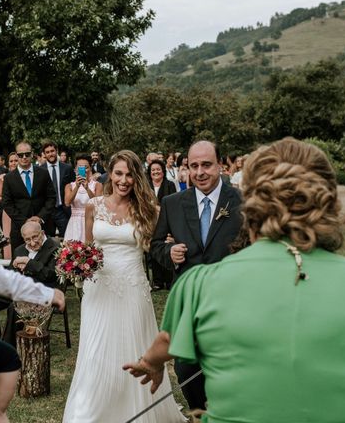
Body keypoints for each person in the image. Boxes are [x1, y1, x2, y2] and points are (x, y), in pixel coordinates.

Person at [126, 138, 345, 423]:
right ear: (327, 197)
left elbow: (168, 341)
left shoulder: (198, 284)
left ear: (252, 201)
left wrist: (151, 362)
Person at [63, 150, 184, 423]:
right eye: (119, 173)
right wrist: (76, 261)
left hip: (132, 287)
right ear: (110, 174)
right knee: (96, 350)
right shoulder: (94, 205)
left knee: (134, 344)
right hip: (99, 288)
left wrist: (174, 249)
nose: (124, 180)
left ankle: (137, 409)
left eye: (130, 174)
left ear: (136, 177)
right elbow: (87, 247)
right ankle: (92, 411)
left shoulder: (149, 210)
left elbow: (160, 246)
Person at [149, 140, 242, 412]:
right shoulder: (173, 203)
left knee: (227, 364)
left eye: (207, 165)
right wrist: (169, 251)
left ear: (221, 166)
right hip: (188, 302)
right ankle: (199, 414)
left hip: (231, 299)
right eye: (193, 166)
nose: (200, 172)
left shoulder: (241, 201)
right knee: (185, 365)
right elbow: (155, 246)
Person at [0, 199, 65, 423]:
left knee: (12, 307)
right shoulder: (8, 251)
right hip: (13, 294)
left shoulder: (55, 247)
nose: (31, 243)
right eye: (27, 240)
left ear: (42, 233)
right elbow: (7, 279)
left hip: (36, 293)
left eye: (34, 238)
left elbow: (51, 277)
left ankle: (4, 345)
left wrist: (30, 266)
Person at [1, 141, 55, 249]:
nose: (24, 157)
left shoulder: (43, 173)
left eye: (27, 154)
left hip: (43, 227)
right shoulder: (9, 178)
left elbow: (51, 198)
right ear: (16, 156)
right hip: (19, 229)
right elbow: (7, 203)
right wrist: (25, 221)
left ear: (32, 154)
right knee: (20, 262)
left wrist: (40, 217)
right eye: (20, 155)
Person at [146, 159, 177, 291]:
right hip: (151, 221)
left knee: (167, 247)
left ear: (163, 171)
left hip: (166, 220)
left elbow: (174, 202)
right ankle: (157, 281)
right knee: (154, 247)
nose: (155, 172)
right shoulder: (146, 186)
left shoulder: (170, 185)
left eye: (158, 169)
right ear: (150, 172)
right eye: (153, 170)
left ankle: (169, 280)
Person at [63, 154, 103, 243]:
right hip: (75, 223)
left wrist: (87, 188)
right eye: (80, 167)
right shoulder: (69, 186)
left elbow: (99, 204)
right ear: (75, 169)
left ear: (90, 168)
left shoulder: (97, 185)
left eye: (86, 167)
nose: (83, 170)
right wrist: (77, 186)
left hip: (91, 221)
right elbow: (67, 203)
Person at [40, 140, 75, 238]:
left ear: (57, 151)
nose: (50, 154)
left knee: (68, 240)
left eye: (52, 151)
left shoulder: (67, 168)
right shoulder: (40, 170)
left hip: (63, 210)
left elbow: (73, 187)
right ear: (44, 154)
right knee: (48, 242)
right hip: (47, 212)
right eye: (47, 152)